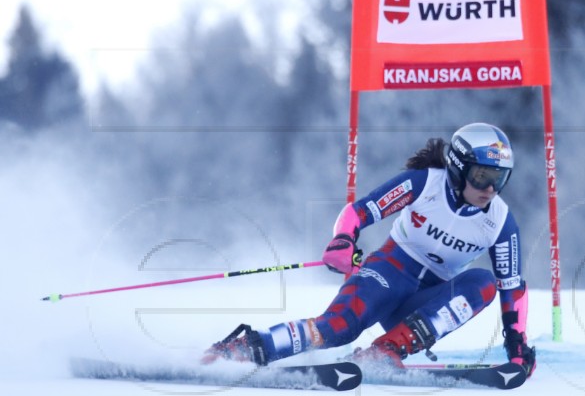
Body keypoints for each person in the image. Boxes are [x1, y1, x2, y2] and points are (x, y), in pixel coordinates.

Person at [203, 122, 536, 377]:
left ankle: (385, 350)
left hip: (424, 306)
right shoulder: (425, 183)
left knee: (483, 283)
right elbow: (358, 212)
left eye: (500, 178)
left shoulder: (500, 222)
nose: (490, 189)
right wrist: (343, 240)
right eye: (481, 177)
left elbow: (513, 288)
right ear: (459, 168)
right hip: (390, 271)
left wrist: (517, 343)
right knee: (337, 328)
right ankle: (243, 349)